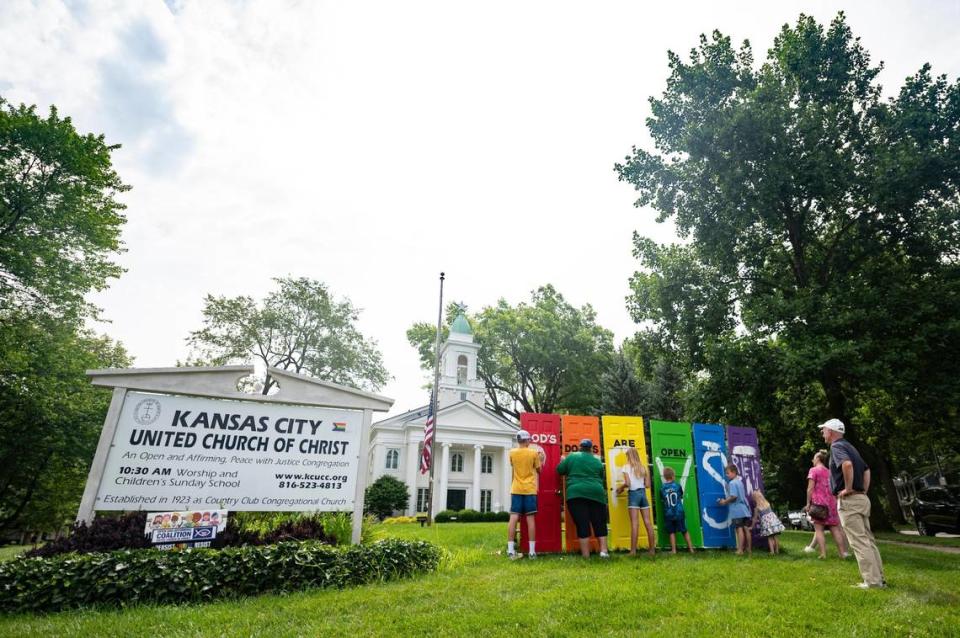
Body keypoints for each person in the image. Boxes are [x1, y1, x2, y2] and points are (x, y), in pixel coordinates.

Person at [819, 418, 886, 589]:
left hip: (850, 501)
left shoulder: (836, 447)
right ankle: (879, 578)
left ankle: (872, 582)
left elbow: (847, 465)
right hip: (861, 499)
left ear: (831, 431)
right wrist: (862, 490)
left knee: (858, 541)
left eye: (824, 430)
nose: (822, 433)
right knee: (868, 540)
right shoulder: (850, 446)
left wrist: (848, 489)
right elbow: (866, 469)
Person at [557, 438, 609, 558]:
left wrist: (563, 460)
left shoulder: (572, 456)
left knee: (582, 524)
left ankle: (586, 555)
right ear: (591, 449)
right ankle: (604, 552)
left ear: (580, 447)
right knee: (600, 523)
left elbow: (560, 470)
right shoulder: (597, 461)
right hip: (596, 493)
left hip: (576, 494)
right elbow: (601, 476)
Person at [805, 449, 849, 559]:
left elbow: (810, 488)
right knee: (835, 529)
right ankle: (842, 553)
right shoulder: (829, 472)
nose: (812, 460)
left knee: (819, 530)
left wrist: (808, 503)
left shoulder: (813, 470)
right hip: (831, 504)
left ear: (818, 459)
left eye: (814, 458)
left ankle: (823, 554)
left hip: (819, 504)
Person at [507, 429, 542, 559]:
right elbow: (539, 470)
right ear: (527, 440)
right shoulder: (534, 453)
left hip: (516, 488)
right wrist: (540, 459)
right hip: (529, 489)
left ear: (518, 440)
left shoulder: (512, 452)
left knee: (513, 518)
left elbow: (513, 465)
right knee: (530, 519)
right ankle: (532, 552)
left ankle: (510, 550)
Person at [615, 447, 656, 557]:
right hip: (643, 495)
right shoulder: (643, 468)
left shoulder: (626, 467)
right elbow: (647, 485)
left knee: (634, 523)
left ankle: (633, 551)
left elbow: (628, 483)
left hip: (633, 495)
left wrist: (620, 488)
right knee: (648, 523)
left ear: (629, 456)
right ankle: (652, 550)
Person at [717, 464, 752, 555]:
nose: (727, 475)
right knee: (746, 529)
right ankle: (748, 549)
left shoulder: (732, 483)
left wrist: (724, 501)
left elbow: (734, 496)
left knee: (739, 529)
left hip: (737, 510)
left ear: (734, 472)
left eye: (728, 473)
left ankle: (740, 550)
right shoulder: (739, 482)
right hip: (744, 509)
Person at [659, 466, 695, 554]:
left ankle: (674, 550)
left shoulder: (662, 488)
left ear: (664, 477)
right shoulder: (677, 486)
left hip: (669, 513)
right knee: (684, 530)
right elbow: (681, 495)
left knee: (671, 532)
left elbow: (663, 499)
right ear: (673, 476)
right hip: (679, 512)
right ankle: (691, 549)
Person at [751, 490, 785, 554]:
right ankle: (777, 550)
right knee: (775, 536)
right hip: (774, 521)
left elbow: (755, 519)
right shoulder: (767, 503)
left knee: (769, 538)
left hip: (767, 524)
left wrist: (752, 526)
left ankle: (772, 552)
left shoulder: (757, 508)